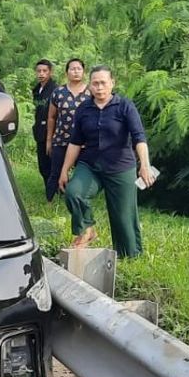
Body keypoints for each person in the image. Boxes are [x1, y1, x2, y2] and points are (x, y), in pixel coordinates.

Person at [57, 65, 155, 257]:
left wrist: (145, 165)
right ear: (90, 86)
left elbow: (139, 138)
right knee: (74, 192)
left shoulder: (125, 106)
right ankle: (87, 229)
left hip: (120, 166)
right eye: (95, 83)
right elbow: (75, 142)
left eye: (103, 83)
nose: (99, 87)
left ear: (112, 83)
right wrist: (64, 170)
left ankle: (130, 256)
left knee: (123, 217)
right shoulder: (84, 109)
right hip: (91, 165)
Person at [45, 58, 90, 202]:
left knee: (81, 174)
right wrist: (49, 140)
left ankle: (78, 201)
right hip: (61, 140)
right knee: (55, 172)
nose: (76, 72)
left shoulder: (91, 92)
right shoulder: (58, 92)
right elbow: (51, 117)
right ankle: (50, 202)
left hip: (85, 143)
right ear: (66, 72)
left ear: (84, 72)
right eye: (72, 69)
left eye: (79, 69)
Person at [31, 59, 58, 200]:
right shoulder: (37, 90)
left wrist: (51, 136)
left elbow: (53, 115)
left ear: (50, 72)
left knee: (51, 165)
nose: (41, 74)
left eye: (44, 71)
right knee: (43, 165)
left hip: (51, 132)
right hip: (39, 132)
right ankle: (50, 192)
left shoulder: (54, 90)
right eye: (39, 71)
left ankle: (53, 194)